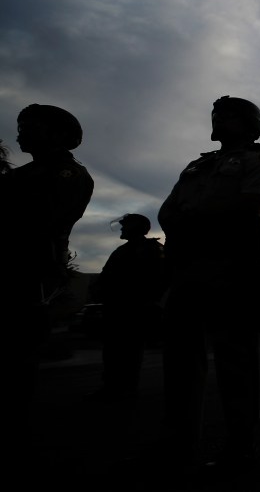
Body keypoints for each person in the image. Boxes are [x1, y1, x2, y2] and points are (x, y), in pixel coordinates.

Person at [157, 96, 260, 476]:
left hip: (234, 268)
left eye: (227, 116)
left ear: (249, 124)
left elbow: (251, 204)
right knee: (180, 361)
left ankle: (239, 448)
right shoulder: (198, 165)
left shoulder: (259, 162)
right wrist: (188, 223)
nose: (218, 120)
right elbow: (168, 211)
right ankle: (179, 445)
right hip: (188, 267)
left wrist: (196, 219)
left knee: (236, 361)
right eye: (216, 115)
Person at [2, 105, 94, 446]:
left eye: (31, 126)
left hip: (25, 272)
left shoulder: (65, 174)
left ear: (58, 135)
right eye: (21, 125)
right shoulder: (25, 174)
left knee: (15, 360)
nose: (22, 132)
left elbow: (36, 222)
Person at [88, 213, 165, 402]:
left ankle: (125, 389)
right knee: (115, 351)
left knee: (128, 351)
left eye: (126, 225)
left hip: (131, 311)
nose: (122, 228)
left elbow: (158, 281)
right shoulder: (126, 250)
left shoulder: (147, 250)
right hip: (118, 309)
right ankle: (114, 387)